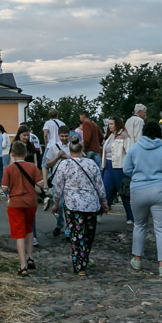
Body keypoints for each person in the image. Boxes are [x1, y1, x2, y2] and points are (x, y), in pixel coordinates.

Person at [123, 120, 162, 275]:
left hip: (138, 189)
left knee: (139, 225)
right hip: (161, 189)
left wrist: (138, 174)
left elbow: (126, 169)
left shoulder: (134, 148)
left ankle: (137, 259)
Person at [50, 137, 108, 275]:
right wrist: (104, 202)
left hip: (73, 204)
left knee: (76, 235)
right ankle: (85, 258)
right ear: (82, 150)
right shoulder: (91, 164)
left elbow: (58, 187)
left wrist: (56, 204)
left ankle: (79, 265)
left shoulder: (64, 165)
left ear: (69, 150)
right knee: (88, 234)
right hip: (91, 204)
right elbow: (99, 184)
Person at [3, 140, 44, 275]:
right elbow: (41, 184)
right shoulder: (32, 167)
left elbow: (4, 187)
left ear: (12, 154)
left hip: (16, 204)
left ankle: (23, 265)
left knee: (19, 234)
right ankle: (30, 257)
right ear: (26, 154)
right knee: (29, 230)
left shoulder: (9, 169)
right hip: (31, 202)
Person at [45, 123, 74, 236]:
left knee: (68, 205)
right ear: (58, 136)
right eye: (62, 136)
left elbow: (79, 161)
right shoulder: (54, 147)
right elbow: (47, 164)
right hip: (57, 180)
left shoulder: (73, 146)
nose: (64, 138)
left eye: (66, 136)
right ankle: (59, 223)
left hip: (70, 180)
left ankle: (68, 229)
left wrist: (67, 157)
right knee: (58, 204)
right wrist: (57, 156)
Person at [101, 116, 132, 218]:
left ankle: (130, 216)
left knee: (123, 192)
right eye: (109, 124)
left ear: (117, 124)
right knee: (106, 190)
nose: (109, 126)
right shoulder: (110, 136)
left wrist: (128, 168)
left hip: (119, 167)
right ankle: (100, 213)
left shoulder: (125, 136)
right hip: (108, 166)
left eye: (111, 124)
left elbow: (129, 153)